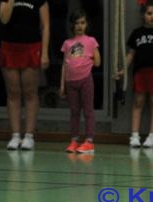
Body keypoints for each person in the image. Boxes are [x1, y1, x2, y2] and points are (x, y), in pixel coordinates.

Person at [117, 0, 153, 148]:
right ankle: (135, 135)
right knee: (138, 102)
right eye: (149, 13)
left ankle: (152, 136)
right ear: (143, 15)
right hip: (140, 73)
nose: (152, 17)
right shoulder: (137, 33)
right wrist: (123, 69)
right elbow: (130, 54)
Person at [0, 0, 49, 151]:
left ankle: (29, 136)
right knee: (13, 93)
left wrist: (45, 53)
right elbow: (3, 19)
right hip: (9, 47)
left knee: (30, 93)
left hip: (32, 47)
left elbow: (45, 26)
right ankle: (15, 135)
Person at [60, 8, 100, 155]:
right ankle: (74, 140)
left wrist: (85, 61)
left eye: (82, 23)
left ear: (86, 24)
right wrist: (62, 85)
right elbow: (65, 64)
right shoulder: (67, 43)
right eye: (76, 23)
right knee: (74, 112)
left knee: (88, 111)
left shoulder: (91, 41)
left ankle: (89, 141)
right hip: (71, 82)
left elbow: (97, 62)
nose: (79, 26)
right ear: (72, 25)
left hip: (85, 80)